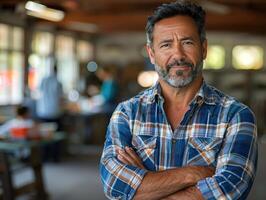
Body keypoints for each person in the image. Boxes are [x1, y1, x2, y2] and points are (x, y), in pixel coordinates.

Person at [100, 1, 258, 200]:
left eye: (187, 42)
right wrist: (194, 174)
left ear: (204, 48)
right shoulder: (127, 113)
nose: (178, 55)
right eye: (166, 45)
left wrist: (146, 187)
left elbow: (229, 190)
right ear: (152, 54)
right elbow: (114, 186)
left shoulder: (236, 116)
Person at [36, 63, 64, 130]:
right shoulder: (58, 82)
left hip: (43, 111)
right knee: (55, 132)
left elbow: (39, 91)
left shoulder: (44, 80)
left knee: (45, 132)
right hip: (54, 112)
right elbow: (61, 98)